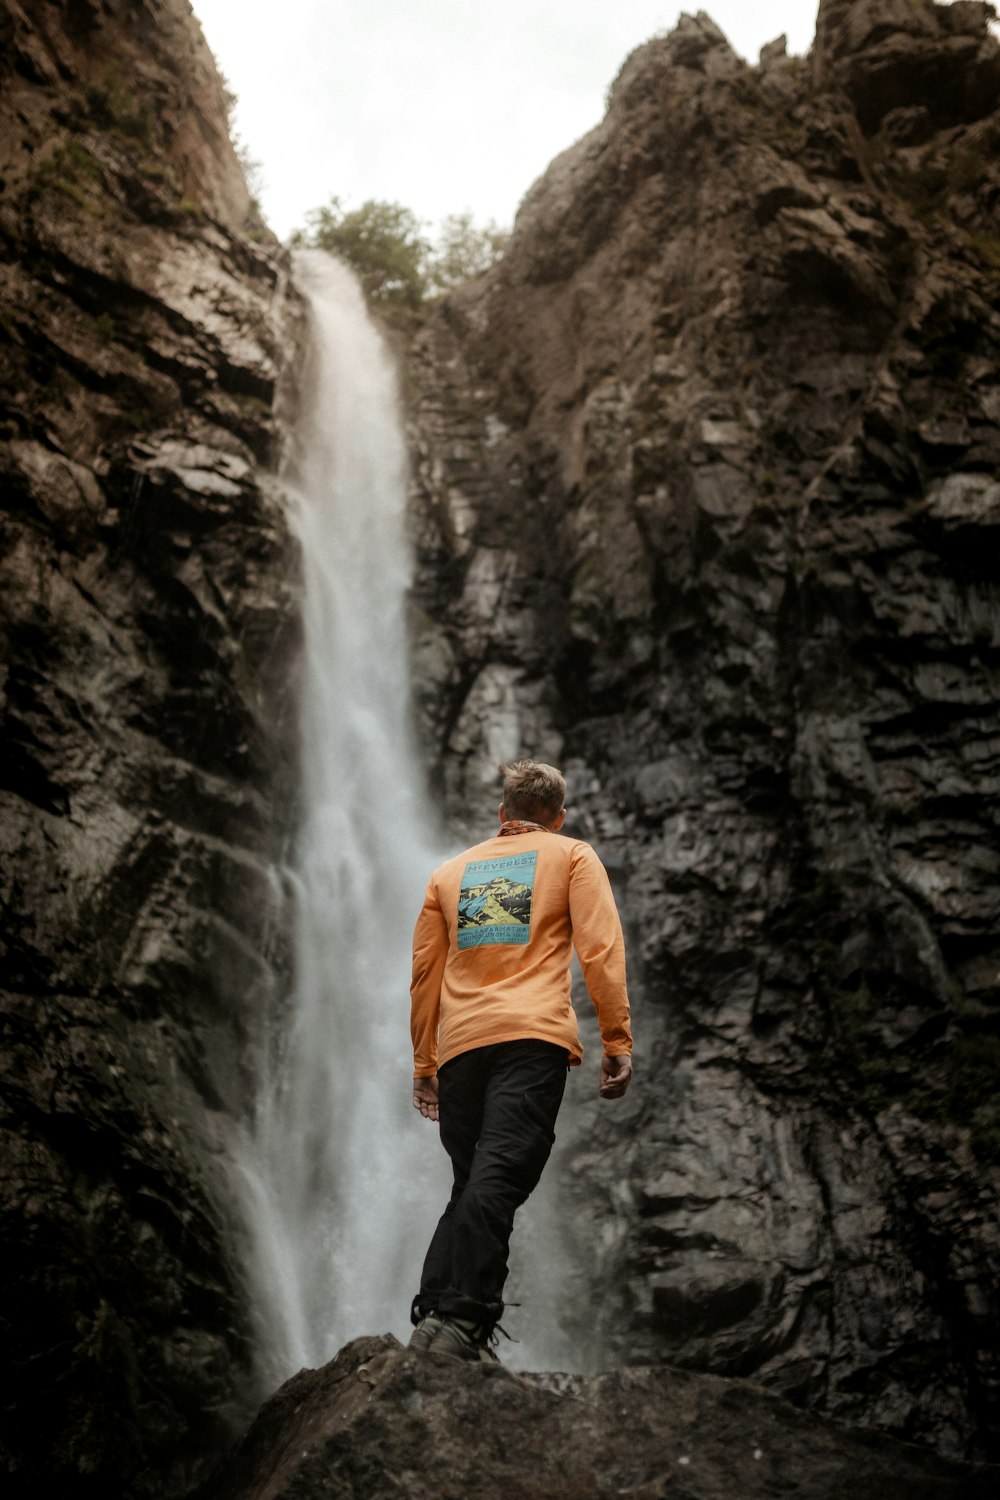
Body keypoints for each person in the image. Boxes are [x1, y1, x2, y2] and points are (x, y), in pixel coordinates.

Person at [407, 758, 633, 1363]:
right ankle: (463, 1323)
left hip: (460, 1048)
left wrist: (423, 1063)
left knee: (471, 1181)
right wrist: (617, 1041)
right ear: (557, 819)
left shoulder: (448, 874)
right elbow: (601, 949)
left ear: (502, 814)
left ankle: (433, 1318)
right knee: (497, 1176)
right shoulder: (573, 856)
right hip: (531, 1039)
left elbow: (425, 974)